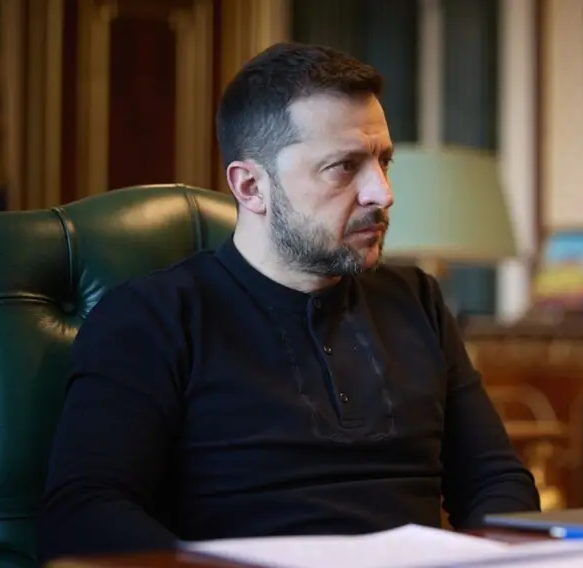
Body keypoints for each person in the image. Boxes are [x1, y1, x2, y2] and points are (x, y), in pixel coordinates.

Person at [37, 42, 540, 561]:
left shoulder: (418, 301)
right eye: (344, 167)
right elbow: (84, 512)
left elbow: (496, 482)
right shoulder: (152, 318)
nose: (382, 193)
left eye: (383, 161)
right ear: (251, 186)